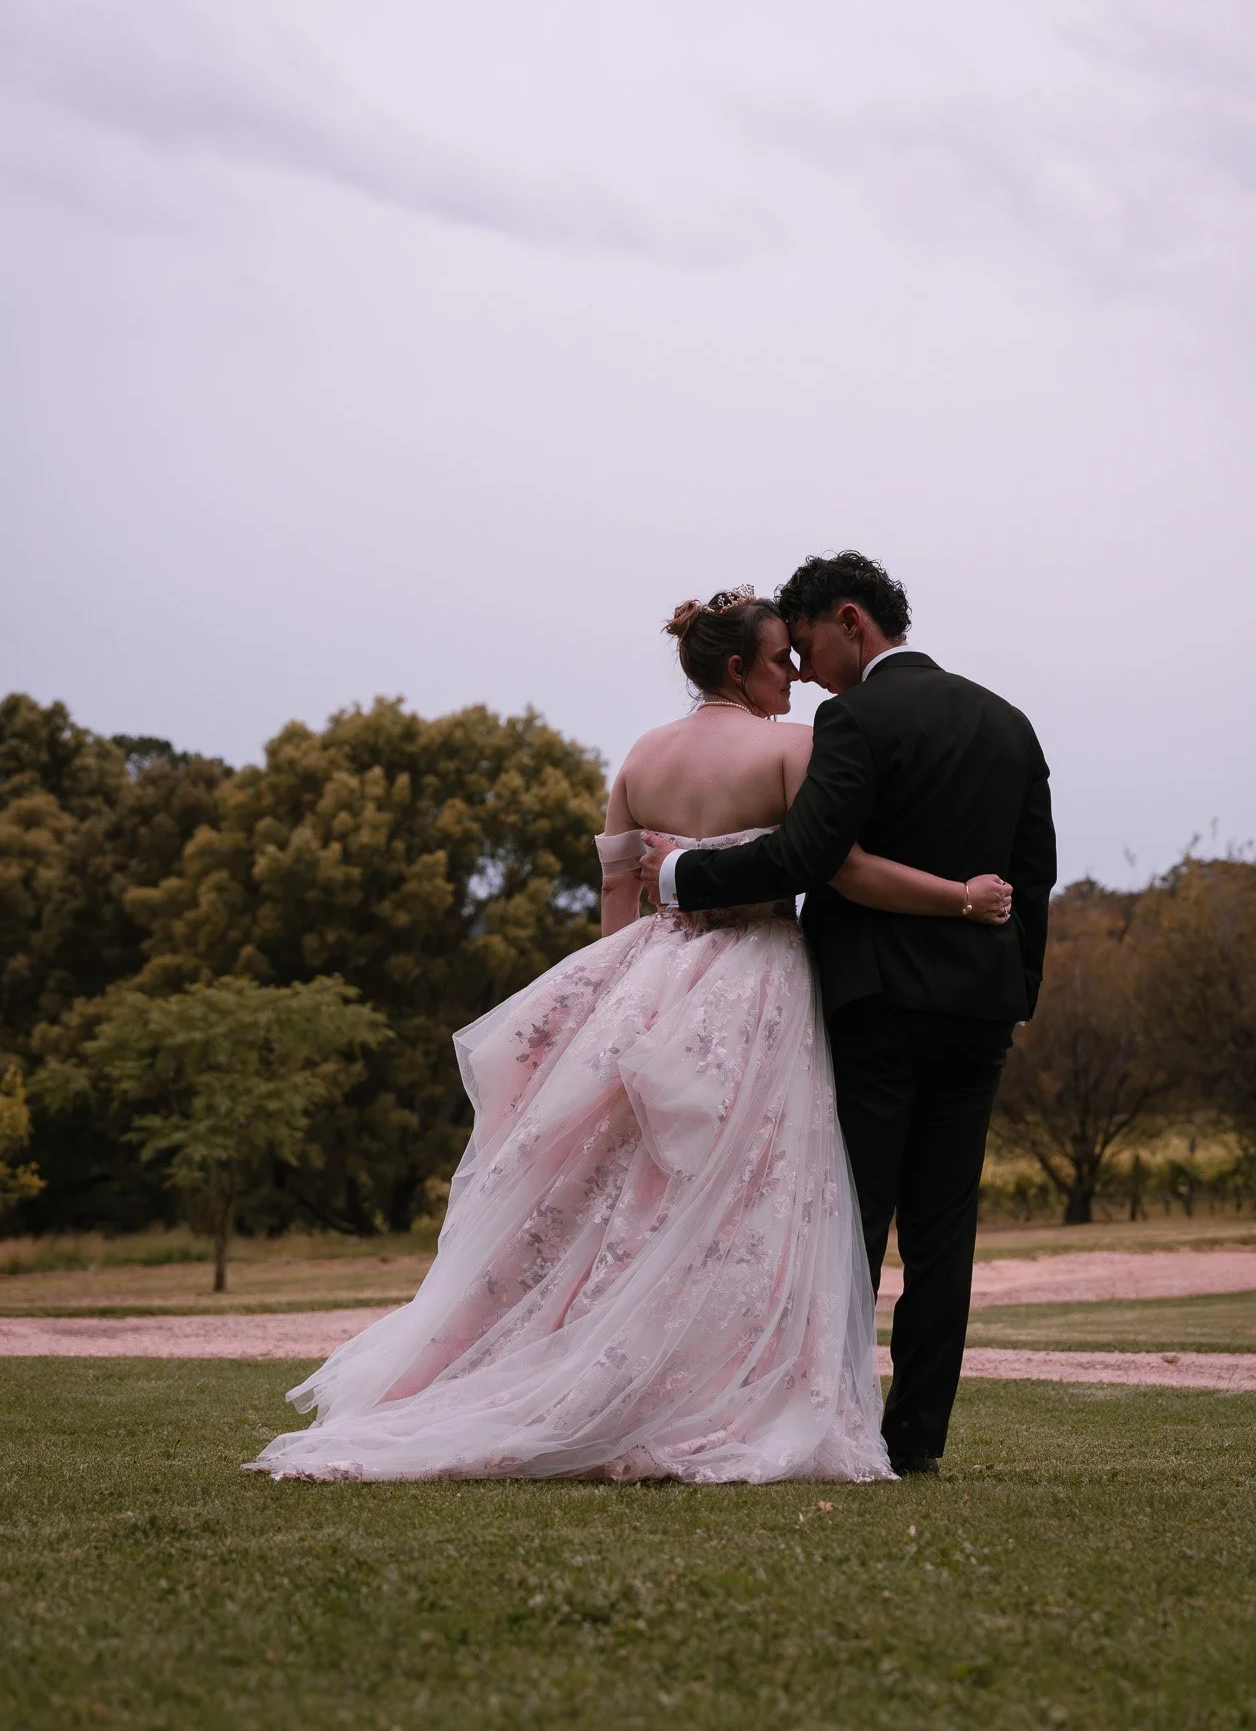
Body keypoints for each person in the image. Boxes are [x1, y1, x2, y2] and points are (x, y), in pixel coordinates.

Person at [247, 585, 1014, 1485]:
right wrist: (961, 896)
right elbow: (835, 871)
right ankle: (720, 1389)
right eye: (779, 663)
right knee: (747, 1201)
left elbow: (617, 896)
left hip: (648, 976)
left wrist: (618, 1006)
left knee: (634, 1201)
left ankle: (615, 1373)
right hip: (757, 979)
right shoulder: (789, 749)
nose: (795, 681)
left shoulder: (639, 759)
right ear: (738, 666)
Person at [642, 553, 1056, 1475]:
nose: (803, 665)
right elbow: (1034, 877)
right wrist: (1013, 994)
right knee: (945, 1233)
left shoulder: (853, 717)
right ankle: (916, 1444)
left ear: (848, 619)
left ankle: (836, 1424)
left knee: (852, 1219)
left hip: (874, 1002)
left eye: (809, 642)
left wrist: (680, 873)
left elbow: (809, 853)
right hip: (979, 1011)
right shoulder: (1007, 720)